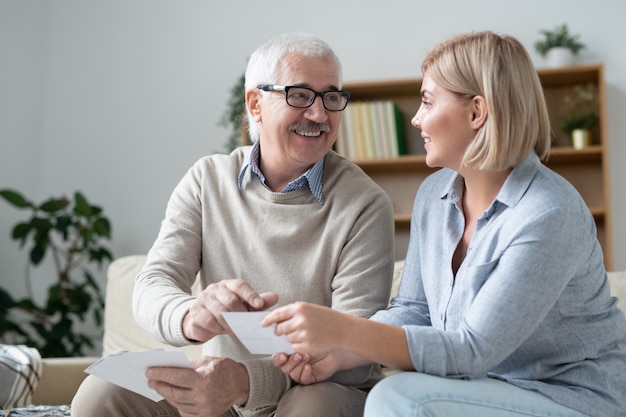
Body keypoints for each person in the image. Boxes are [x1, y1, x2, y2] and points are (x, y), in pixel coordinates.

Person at [263, 31, 626, 417]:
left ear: (476, 113)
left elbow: (471, 350)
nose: (417, 119)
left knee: (397, 397)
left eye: (427, 101)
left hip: (570, 400)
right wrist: (338, 353)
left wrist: (341, 330)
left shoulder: (548, 213)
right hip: (480, 390)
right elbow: (415, 309)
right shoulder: (434, 195)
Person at [71, 32, 395, 417]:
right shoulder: (207, 179)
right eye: (300, 95)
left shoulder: (366, 203)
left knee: (313, 405)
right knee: (102, 392)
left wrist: (244, 381)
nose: (320, 115)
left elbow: (355, 349)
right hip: (220, 397)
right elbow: (154, 282)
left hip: (315, 393)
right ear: (255, 104)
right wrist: (191, 316)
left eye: (332, 97)